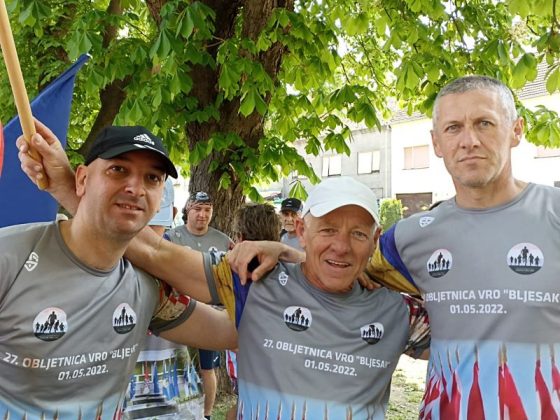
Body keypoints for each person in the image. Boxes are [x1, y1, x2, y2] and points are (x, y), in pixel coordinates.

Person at [18, 137, 431, 418]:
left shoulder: (401, 311)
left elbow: (468, 327)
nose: (341, 246)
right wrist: (67, 188)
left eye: (357, 234)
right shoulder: (256, 280)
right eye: (327, 230)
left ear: (375, 238)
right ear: (302, 229)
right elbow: (155, 252)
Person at [242, 76, 560, 419]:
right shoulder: (409, 237)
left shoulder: (554, 212)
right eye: (453, 127)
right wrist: (287, 251)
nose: (469, 140)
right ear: (436, 142)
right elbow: (345, 264)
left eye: (484, 123)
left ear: (516, 130)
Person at [5, 122, 236, 419]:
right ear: (82, 179)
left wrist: (281, 265)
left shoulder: (146, 287)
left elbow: (233, 332)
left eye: (152, 178)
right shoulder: (10, 258)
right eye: (118, 170)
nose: (135, 189)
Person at [168, 190, 233, 420]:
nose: (202, 215)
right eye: (197, 209)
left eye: (207, 210)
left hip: (210, 316)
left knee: (208, 368)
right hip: (176, 314)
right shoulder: (171, 237)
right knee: (175, 365)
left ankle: (205, 415)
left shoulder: (224, 241)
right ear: (188, 210)